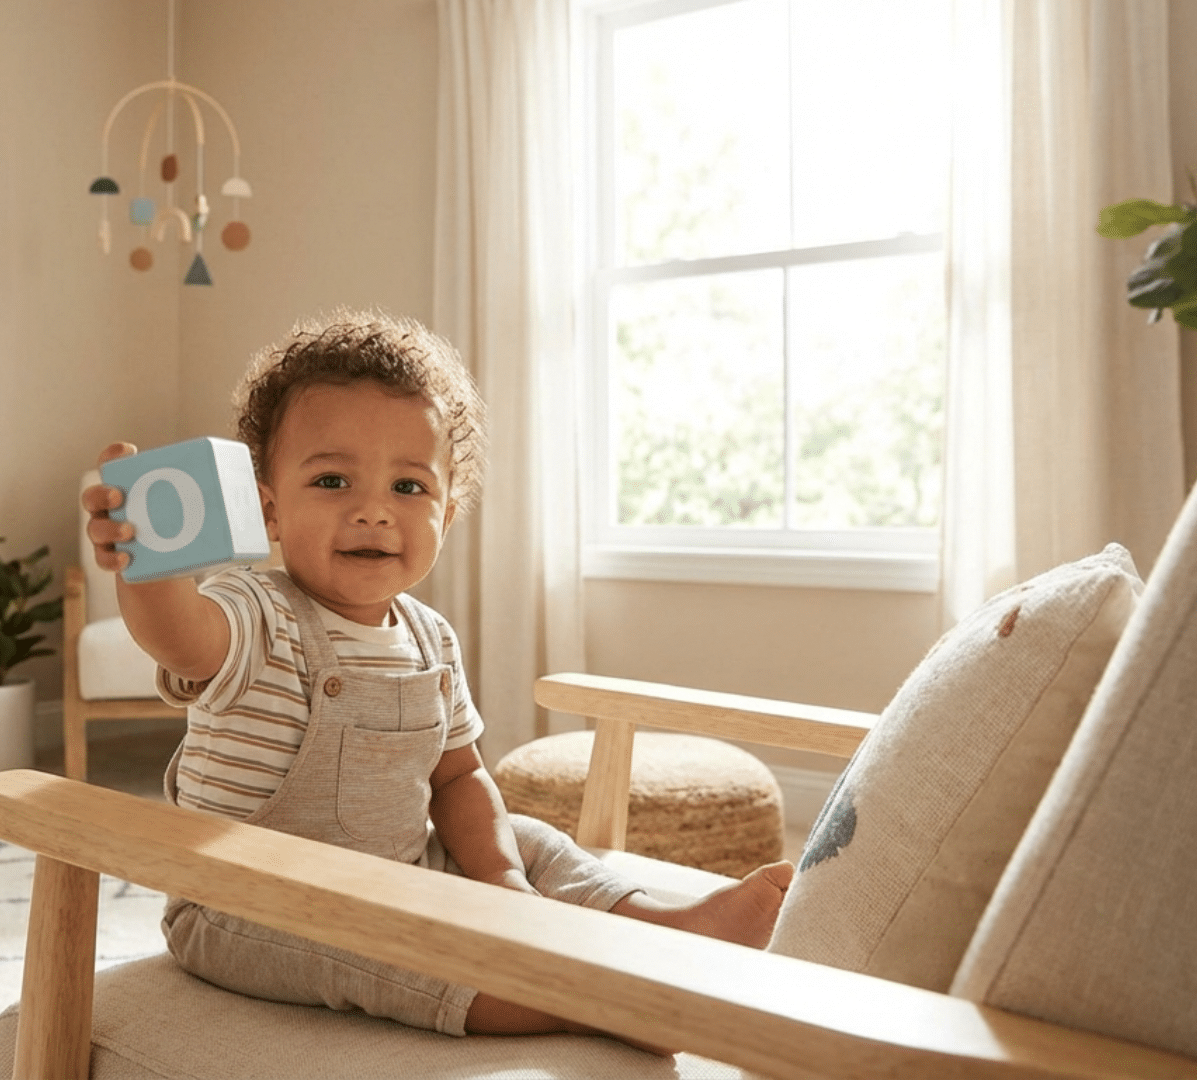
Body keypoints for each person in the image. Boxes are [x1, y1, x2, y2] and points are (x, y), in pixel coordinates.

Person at [82, 309, 793, 1048]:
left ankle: (660, 926)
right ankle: (607, 1005)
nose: (372, 511)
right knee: (394, 952)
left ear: (447, 516)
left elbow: (457, 777)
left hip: (400, 870)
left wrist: (502, 882)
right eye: (332, 480)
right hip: (251, 905)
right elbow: (182, 640)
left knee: (528, 839)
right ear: (270, 510)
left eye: (408, 487)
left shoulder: (431, 639)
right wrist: (141, 563)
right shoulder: (256, 610)